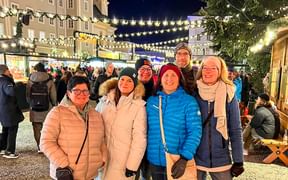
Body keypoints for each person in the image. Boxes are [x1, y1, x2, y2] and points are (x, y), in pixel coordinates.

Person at [40, 76, 106, 180]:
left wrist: (102, 158)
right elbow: (46, 142)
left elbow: (101, 140)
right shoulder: (57, 113)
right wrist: (64, 163)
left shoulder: (95, 115)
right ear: (68, 93)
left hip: (90, 175)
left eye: (85, 91)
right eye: (76, 91)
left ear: (89, 93)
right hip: (67, 174)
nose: (81, 94)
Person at [146, 63, 202, 180]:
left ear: (179, 80)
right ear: (160, 79)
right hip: (154, 161)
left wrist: (185, 157)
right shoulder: (151, 102)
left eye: (173, 75)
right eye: (166, 75)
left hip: (177, 160)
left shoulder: (189, 102)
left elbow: (195, 131)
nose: (169, 79)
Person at [194, 56, 244, 180]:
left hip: (221, 159)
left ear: (220, 71)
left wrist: (238, 160)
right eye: (205, 67)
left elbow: (235, 129)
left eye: (213, 68)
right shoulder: (194, 92)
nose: (208, 71)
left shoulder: (228, 93)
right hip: (195, 157)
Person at [96, 67, 147, 180]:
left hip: (122, 162)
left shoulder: (138, 107)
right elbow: (94, 127)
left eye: (129, 81)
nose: (125, 83)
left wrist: (132, 165)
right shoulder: (105, 100)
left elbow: (139, 139)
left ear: (134, 84)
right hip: (101, 158)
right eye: (122, 79)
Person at [26, 62, 57, 152]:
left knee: (36, 127)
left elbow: (28, 95)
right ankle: (47, 145)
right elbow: (53, 96)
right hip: (47, 107)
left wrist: (31, 103)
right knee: (47, 127)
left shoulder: (30, 80)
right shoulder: (49, 80)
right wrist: (54, 104)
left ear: (35, 69)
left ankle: (40, 147)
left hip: (34, 108)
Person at [134, 58, 154, 180]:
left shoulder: (157, 89)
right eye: (142, 69)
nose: (146, 72)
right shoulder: (130, 89)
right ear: (137, 71)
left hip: (151, 139)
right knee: (132, 171)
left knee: (147, 174)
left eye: (149, 69)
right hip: (133, 139)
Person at [0, 65, 24, 158]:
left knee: (5, 129)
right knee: (12, 129)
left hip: (2, 109)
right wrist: (17, 85)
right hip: (9, 110)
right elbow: (11, 92)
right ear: (5, 71)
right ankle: (10, 151)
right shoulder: (5, 81)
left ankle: (3, 148)